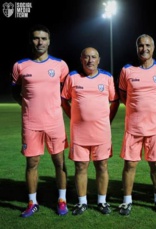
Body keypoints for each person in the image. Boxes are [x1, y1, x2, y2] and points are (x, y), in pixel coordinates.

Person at [11, 24, 69, 217]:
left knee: (59, 162)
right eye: (36, 38)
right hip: (31, 124)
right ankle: (32, 202)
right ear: (31, 40)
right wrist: (28, 106)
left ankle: (61, 200)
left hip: (55, 123)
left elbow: (66, 92)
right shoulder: (20, 66)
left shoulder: (60, 65)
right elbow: (15, 92)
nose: (40, 42)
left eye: (43, 38)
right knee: (32, 163)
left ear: (49, 41)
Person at [117, 34, 156, 216]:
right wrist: (137, 111)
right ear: (136, 47)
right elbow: (124, 95)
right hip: (133, 127)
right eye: (141, 45)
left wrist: (153, 112)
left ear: (153, 47)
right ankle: (126, 202)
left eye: (148, 45)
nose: (144, 49)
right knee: (130, 165)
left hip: (155, 127)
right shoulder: (127, 70)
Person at [61, 47, 119, 215]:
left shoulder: (107, 77)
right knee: (81, 166)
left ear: (99, 59)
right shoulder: (72, 77)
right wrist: (73, 118)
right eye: (86, 57)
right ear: (81, 59)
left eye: (93, 57)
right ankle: (82, 202)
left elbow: (114, 101)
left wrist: (108, 120)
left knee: (102, 165)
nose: (90, 60)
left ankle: (102, 201)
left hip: (101, 132)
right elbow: (64, 100)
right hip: (79, 132)